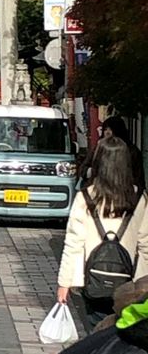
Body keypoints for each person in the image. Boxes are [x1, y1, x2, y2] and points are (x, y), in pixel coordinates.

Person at [57, 137, 148, 330]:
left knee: (96, 333)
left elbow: (73, 243)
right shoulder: (139, 198)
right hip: (130, 283)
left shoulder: (86, 196)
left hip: (93, 282)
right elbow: (145, 245)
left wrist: (64, 282)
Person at [80, 116, 145, 190]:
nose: (107, 133)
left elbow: (138, 179)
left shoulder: (132, 152)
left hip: (123, 194)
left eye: (111, 129)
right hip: (99, 192)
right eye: (105, 129)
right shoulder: (98, 149)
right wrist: (95, 172)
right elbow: (83, 169)